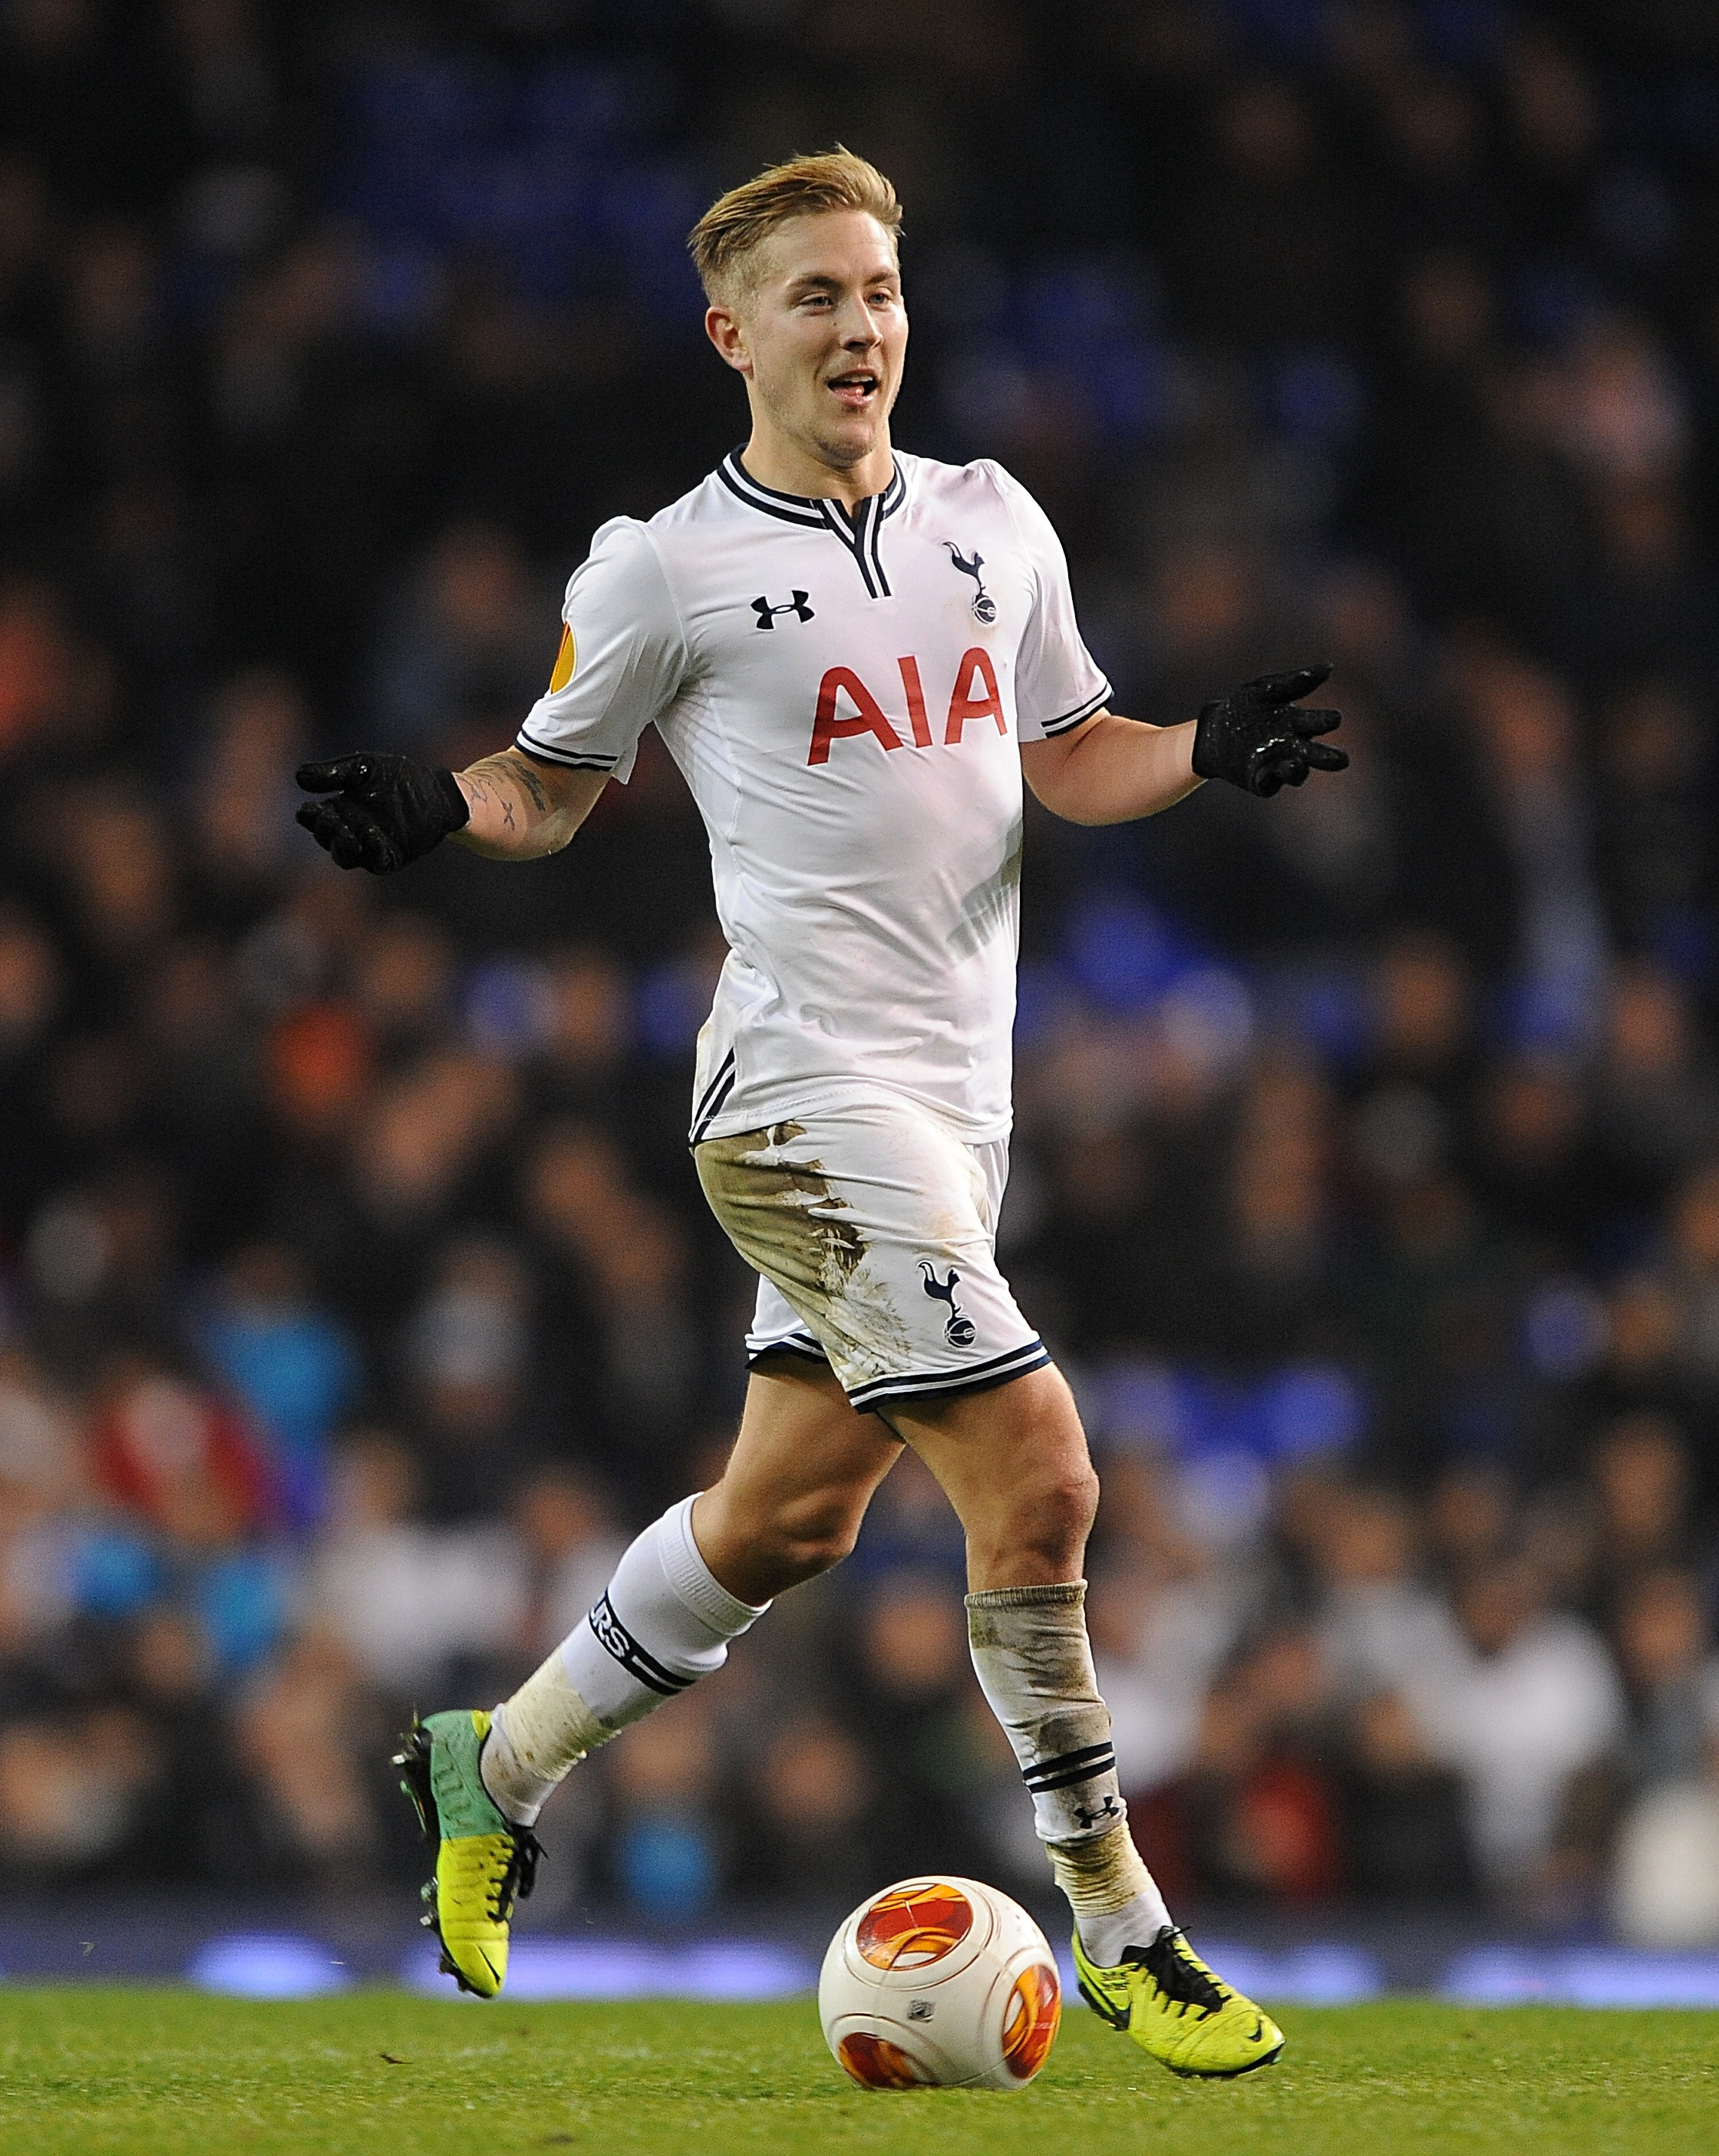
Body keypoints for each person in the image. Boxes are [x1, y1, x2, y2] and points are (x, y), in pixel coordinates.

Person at [295, 150, 1346, 2077]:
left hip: (957, 1114)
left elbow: (1069, 752)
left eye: (878, 290)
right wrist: (439, 806)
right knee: (1043, 1472)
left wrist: (1206, 750)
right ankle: (1125, 1922)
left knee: (782, 1521)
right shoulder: (661, 565)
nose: (860, 325)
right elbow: (550, 781)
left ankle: (490, 1760)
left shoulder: (990, 518)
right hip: (794, 1097)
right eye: (816, 298)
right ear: (734, 336)